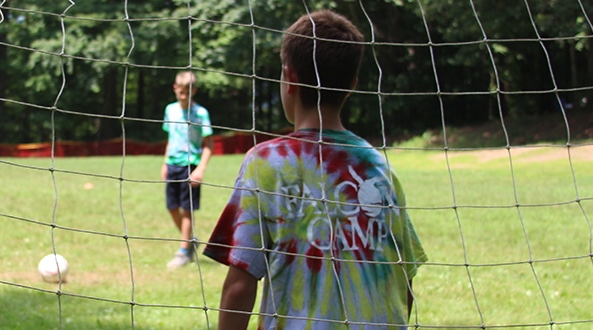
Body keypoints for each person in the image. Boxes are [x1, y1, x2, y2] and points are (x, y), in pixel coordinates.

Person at [203, 10, 427, 329]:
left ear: (288, 77)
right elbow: (403, 283)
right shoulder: (379, 166)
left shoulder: (266, 163)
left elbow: (239, 285)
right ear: (351, 85)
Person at [161, 71, 213, 269]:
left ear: (194, 91)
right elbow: (170, 138)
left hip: (191, 166)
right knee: (172, 207)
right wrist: (165, 162)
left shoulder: (201, 113)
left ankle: (183, 251)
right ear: (175, 89)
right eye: (181, 92)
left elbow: (209, 145)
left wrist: (200, 169)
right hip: (173, 163)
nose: (183, 96)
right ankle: (190, 240)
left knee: (187, 209)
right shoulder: (170, 110)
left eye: (187, 93)